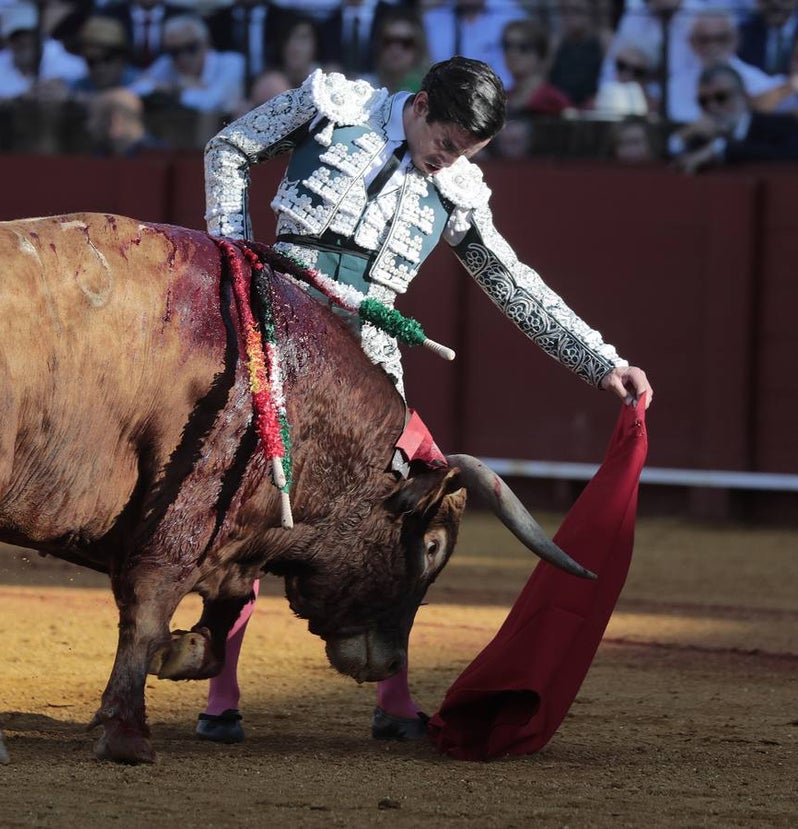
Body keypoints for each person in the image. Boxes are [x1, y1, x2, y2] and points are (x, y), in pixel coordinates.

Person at [198, 56, 653, 744]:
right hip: (279, 321)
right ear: (419, 107)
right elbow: (229, 146)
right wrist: (232, 250)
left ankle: (395, 693)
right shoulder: (333, 107)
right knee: (247, 499)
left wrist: (601, 362)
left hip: (370, 362)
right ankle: (221, 691)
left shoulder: (458, 186)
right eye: (445, 144)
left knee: (408, 516)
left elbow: (511, 281)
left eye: (466, 153)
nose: (448, 162)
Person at [670, 61, 798, 172]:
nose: (712, 107)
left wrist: (720, 149)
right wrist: (682, 136)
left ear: (744, 97)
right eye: (703, 101)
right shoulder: (700, 137)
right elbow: (668, 161)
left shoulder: (781, 126)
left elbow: (787, 154)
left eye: (721, 97)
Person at [666, 10, 787, 123]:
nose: (712, 46)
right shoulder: (675, 84)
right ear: (692, 42)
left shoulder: (760, 83)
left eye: (721, 39)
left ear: (735, 39)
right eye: (704, 40)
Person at [0, 2, 73, 106]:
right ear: (6, 41)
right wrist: (16, 100)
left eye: (27, 33)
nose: (23, 41)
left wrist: (68, 95)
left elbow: (85, 87)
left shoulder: (58, 54)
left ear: (38, 33)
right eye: (15, 35)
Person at [129, 13, 243, 115]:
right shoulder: (167, 62)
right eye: (175, 51)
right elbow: (134, 91)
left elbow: (212, 103)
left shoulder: (231, 62)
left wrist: (175, 91)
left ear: (206, 42)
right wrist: (178, 87)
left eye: (191, 48)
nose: (183, 57)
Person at [500, 18, 574, 117]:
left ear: (540, 55)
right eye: (507, 46)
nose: (512, 53)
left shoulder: (554, 100)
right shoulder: (501, 99)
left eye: (523, 47)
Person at [85, 85, 166, 156]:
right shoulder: (96, 156)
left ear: (115, 121)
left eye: (94, 117)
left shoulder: (162, 155)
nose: (88, 125)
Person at [362, 8, 429, 94]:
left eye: (406, 43)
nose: (395, 49)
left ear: (418, 47)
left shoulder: (429, 90)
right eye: (388, 41)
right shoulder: (366, 87)